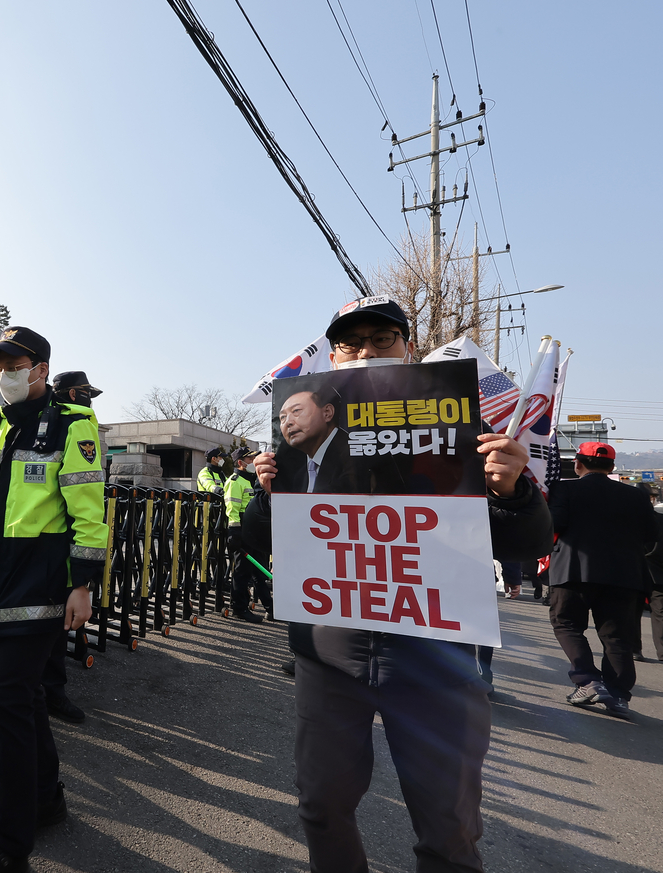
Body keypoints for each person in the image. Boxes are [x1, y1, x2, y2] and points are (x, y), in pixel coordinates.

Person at [244, 295, 552, 873]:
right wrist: (268, 497)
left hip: (438, 650)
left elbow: (525, 544)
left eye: (381, 340)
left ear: (408, 347)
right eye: (349, 344)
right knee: (320, 805)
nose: (364, 353)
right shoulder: (298, 432)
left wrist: (514, 490)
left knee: (449, 826)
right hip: (330, 649)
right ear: (331, 358)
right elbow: (261, 543)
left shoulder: (461, 429)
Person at [0, 328, 107, 873]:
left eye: (13, 361)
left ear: (40, 369)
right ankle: (46, 799)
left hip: (43, 580)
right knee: (24, 695)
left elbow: (89, 509)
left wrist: (83, 583)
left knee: (5, 698)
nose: (3, 370)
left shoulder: (74, 425)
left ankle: (8, 846)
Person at [546, 442, 659, 719]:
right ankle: (618, 695)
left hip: (574, 570)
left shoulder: (565, 488)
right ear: (612, 467)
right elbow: (650, 533)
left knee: (566, 623)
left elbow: (554, 523)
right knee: (617, 636)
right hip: (625, 575)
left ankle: (587, 681)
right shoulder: (636, 495)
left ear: (578, 464)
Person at [42, 370, 104, 725]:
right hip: (62, 539)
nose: (89, 401)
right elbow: (86, 500)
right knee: (55, 624)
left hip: (35, 540)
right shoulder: (77, 424)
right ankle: (51, 692)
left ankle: (37, 691)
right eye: (85, 394)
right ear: (71, 394)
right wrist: (83, 579)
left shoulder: (44, 420)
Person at [223, 447, 267, 623]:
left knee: (257, 570)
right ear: (241, 463)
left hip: (254, 531)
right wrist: (234, 532)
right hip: (241, 530)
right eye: (250, 460)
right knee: (242, 572)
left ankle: (268, 606)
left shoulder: (251, 479)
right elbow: (232, 509)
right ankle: (239, 609)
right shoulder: (235, 481)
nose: (253, 462)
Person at [644, 484, 663, 661]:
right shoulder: (660, 519)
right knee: (660, 612)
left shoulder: (627, 520)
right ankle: (662, 651)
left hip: (633, 571)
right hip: (657, 572)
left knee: (631, 612)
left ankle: (634, 648)